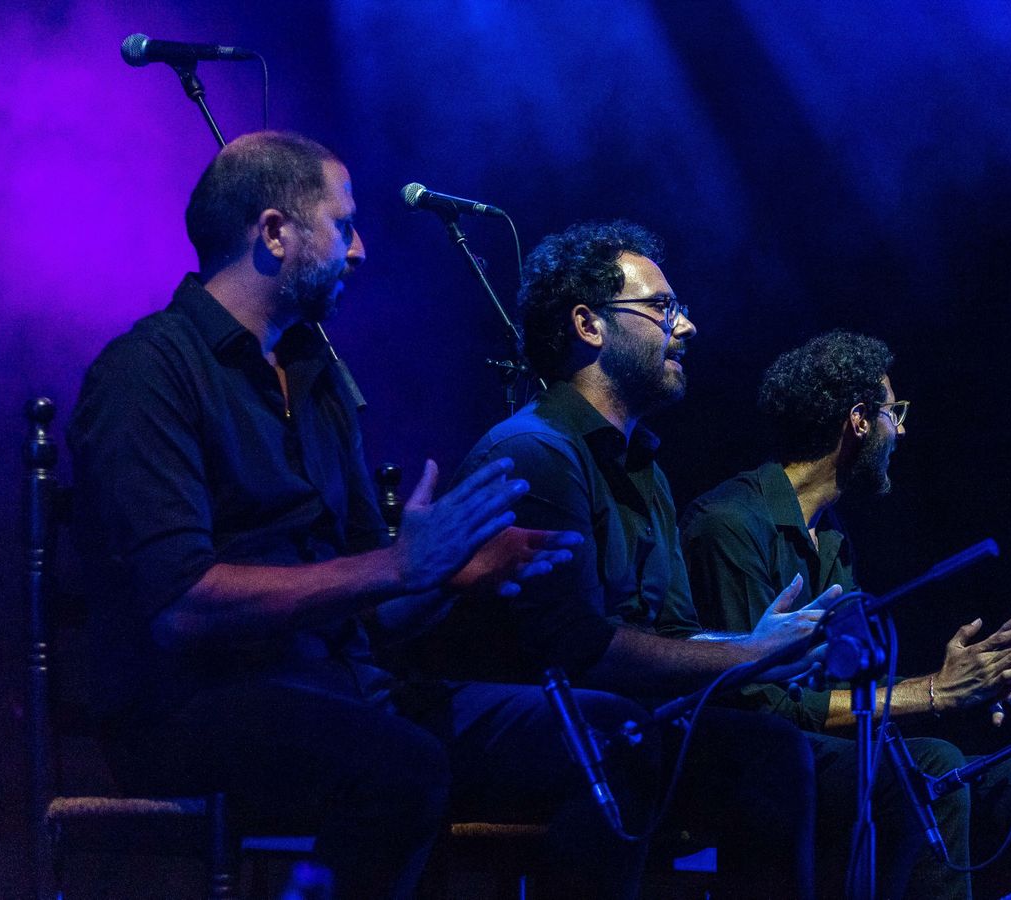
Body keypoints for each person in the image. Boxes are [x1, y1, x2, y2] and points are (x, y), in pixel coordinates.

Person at [69, 132, 660, 900]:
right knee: (400, 765)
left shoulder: (313, 377)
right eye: (343, 226)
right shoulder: (146, 372)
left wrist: (446, 574)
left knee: (619, 736)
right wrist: (395, 565)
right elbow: (181, 607)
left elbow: (372, 606)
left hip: (340, 689)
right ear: (275, 232)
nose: (361, 251)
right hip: (193, 709)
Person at [416, 220, 825, 898]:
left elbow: (666, 635)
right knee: (626, 732)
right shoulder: (535, 453)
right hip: (508, 727)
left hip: (614, 722)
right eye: (663, 308)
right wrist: (748, 656)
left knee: (771, 753)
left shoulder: (644, 470)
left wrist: (759, 642)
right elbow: (577, 651)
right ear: (589, 325)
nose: (686, 327)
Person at [679, 330, 1011, 899]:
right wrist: (935, 692)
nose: (903, 430)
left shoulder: (833, 539)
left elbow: (848, 693)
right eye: (896, 413)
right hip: (751, 766)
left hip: (819, 755)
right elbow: (763, 706)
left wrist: (971, 687)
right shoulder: (730, 524)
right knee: (930, 767)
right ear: (859, 421)